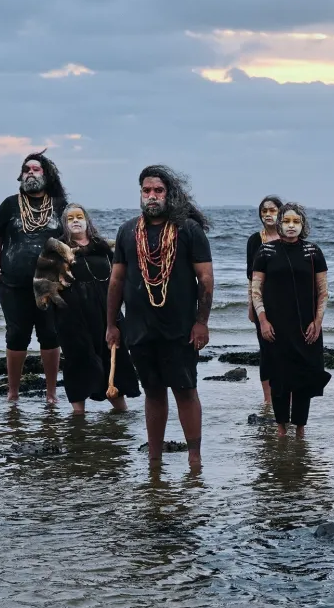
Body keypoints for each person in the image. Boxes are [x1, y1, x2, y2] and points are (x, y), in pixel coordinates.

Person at [107, 166, 214, 468]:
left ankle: (194, 457)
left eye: (158, 191)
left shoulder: (188, 230)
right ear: (140, 193)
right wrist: (111, 324)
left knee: (185, 389)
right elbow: (116, 280)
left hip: (179, 328)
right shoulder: (128, 231)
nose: (152, 196)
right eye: (146, 191)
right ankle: (154, 459)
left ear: (169, 194)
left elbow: (205, 279)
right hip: (140, 328)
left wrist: (201, 322)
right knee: (152, 392)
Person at [0, 150, 67, 404]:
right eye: (26, 170)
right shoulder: (9, 205)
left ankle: (51, 394)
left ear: (46, 174)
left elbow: (72, 245)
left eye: (36, 169)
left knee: (50, 335)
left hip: (49, 285)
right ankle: (13, 393)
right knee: (16, 336)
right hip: (13, 285)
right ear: (21, 176)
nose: (30, 173)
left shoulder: (60, 205)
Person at [251, 203, 332, 438]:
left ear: (303, 225)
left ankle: (301, 429)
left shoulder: (313, 252)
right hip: (275, 328)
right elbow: (256, 290)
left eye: (296, 222)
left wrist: (317, 321)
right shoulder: (265, 252)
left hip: (307, 328)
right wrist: (263, 321)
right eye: (286, 221)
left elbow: (323, 291)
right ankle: (280, 429)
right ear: (279, 223)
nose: (291, 226)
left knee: (304, 379)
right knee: (279, 378)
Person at [55, 205, 140, 415]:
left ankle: (121, 411)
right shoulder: (56, 249)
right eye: (70, 218)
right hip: (73, 316)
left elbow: (121, 278)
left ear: (87, 220)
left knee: (115, 358)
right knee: (78, 360)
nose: (75, 221)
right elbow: (44, 286)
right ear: (64, 224)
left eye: (79, 217)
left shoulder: (103, 247)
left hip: (106, 313)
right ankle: (78, 415)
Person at [247, 196, 283, 406]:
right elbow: (251, 277)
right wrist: (251, 305)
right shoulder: (255, 240)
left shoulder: (289, 236)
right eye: (264, 211)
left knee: (286, 350)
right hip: (262, 303)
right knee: (267, 352)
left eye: (272, 210)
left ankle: (286, 394)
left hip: (287, 303)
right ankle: (268, 399)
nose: (268, 214)